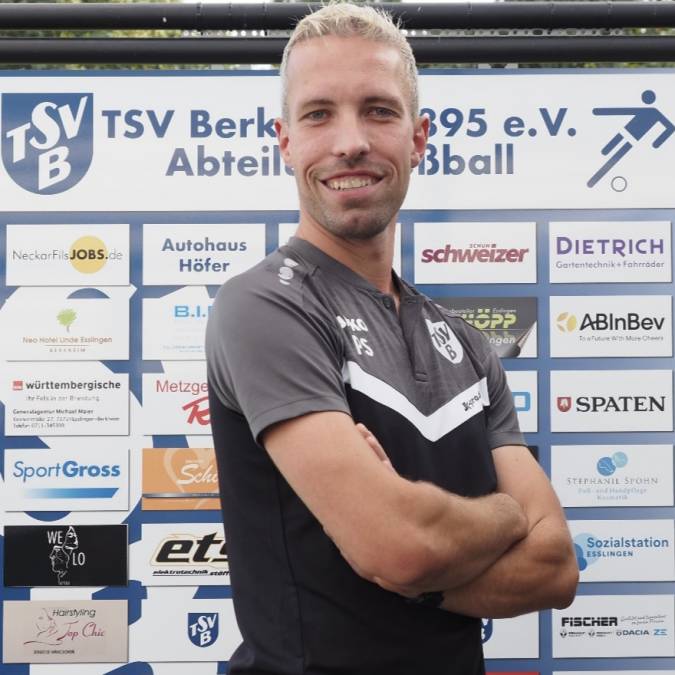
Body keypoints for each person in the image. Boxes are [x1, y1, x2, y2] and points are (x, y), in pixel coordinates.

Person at [206, 3, 578, 674]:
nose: (350, 141)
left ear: (418, 138)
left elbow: (553, 567)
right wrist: (504, 515)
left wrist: (418, 566)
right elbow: (399, 547)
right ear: (285, 142)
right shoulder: (264, 305)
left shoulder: (469, 347)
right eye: (319, 114)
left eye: (378, 111)